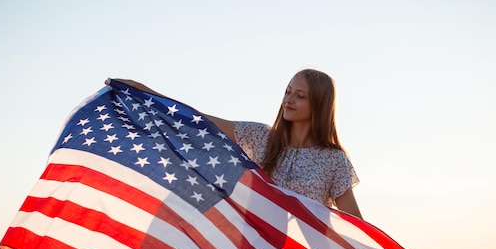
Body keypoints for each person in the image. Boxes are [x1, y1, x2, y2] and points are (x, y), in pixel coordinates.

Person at [113, 68, 363, 219]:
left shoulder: (334, 160)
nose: (288, 100)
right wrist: (142, 93)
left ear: (319, 105)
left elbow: (355, 222)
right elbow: (198, 120)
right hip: (254, 245)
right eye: (288, 92)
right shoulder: (260, 136)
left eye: (300, 96)